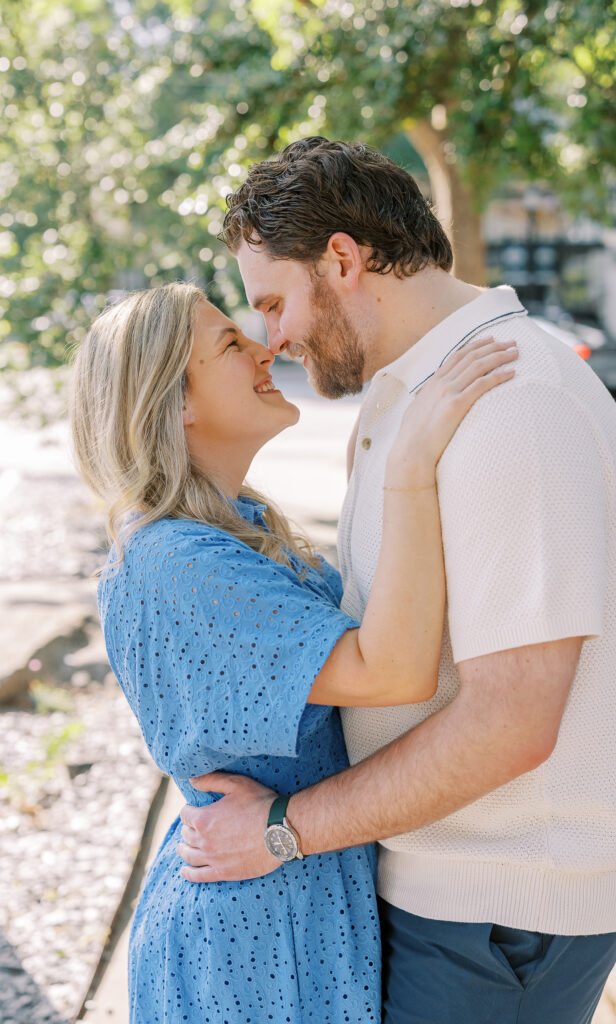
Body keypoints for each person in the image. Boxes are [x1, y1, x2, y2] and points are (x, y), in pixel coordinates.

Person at [178, 138, 616, 1024]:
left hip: (499, 908)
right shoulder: (423, 395)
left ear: (343, 260)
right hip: (451, 891)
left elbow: (511, 722)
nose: (272, 340)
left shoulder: (511, 402)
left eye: (273, 303)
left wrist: (282, 830)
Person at [70, 281, 516, 1023]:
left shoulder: (232, 529)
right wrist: (408, 464)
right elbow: (391, 669)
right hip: (252, 928)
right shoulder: (181, 562)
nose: (264, 345)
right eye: (228, 344)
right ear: (174, 403)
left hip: (287, 892)